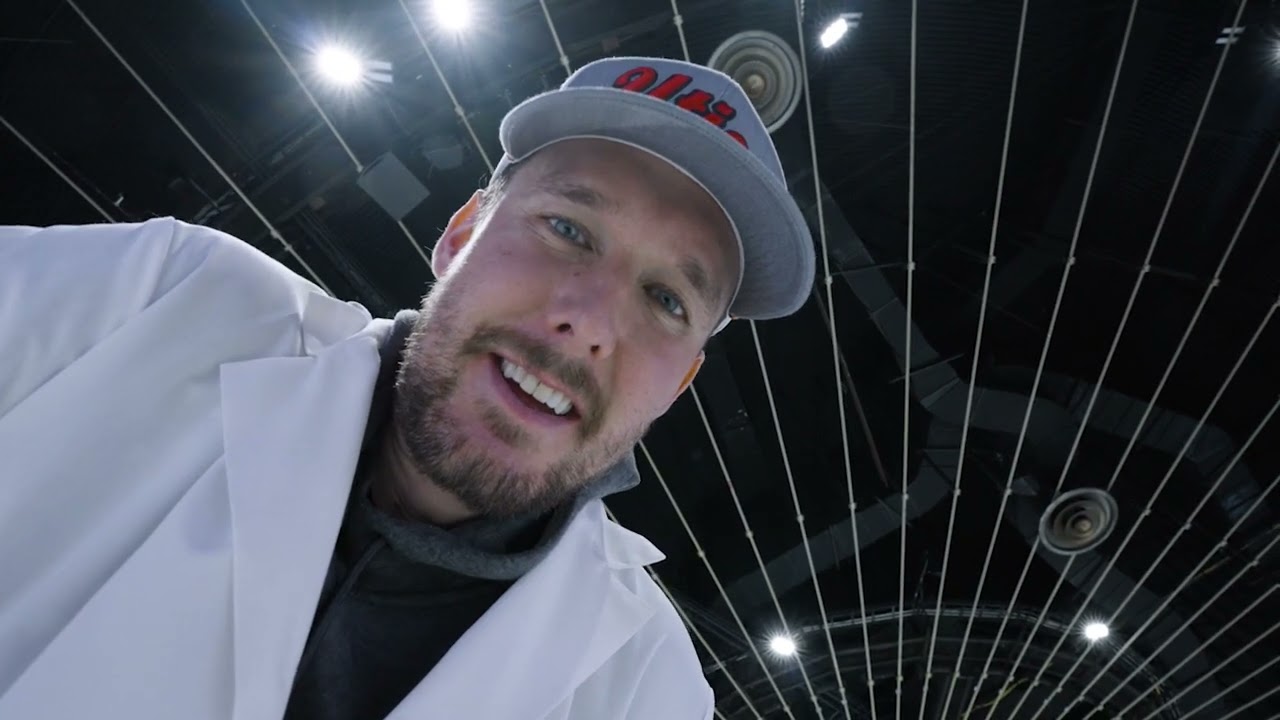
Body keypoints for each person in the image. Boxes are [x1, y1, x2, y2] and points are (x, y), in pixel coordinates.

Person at [0, 55, 814, 719]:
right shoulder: (163, 298)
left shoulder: (644, 687)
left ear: (681, 385)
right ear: (460, 235)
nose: (591, 323)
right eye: (568, 228)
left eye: (667, 300)